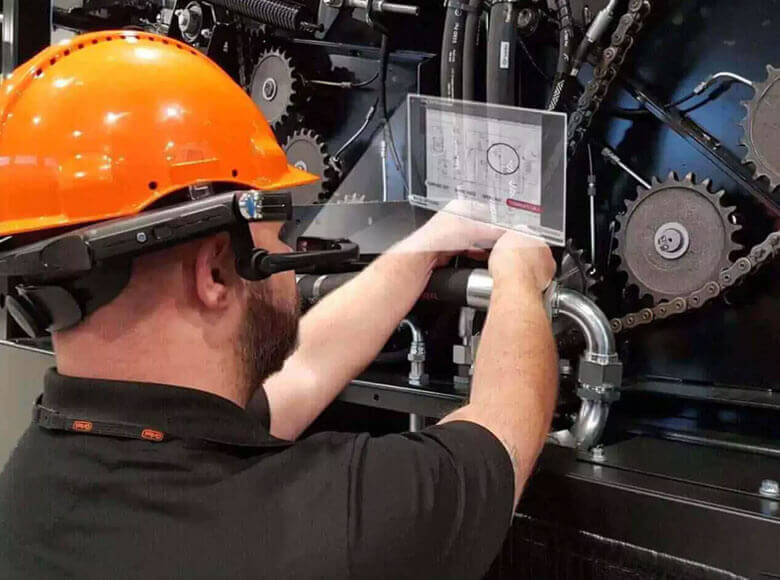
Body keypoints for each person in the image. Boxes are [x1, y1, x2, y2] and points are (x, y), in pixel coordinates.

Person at [0, 32, 557, 579]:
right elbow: (504, 435)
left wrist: (423, 247)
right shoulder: (332, 530)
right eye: (280, 235)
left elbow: (304, 371)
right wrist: (518, 277)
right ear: (216, 271)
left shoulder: (42, 485)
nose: (289, 251)